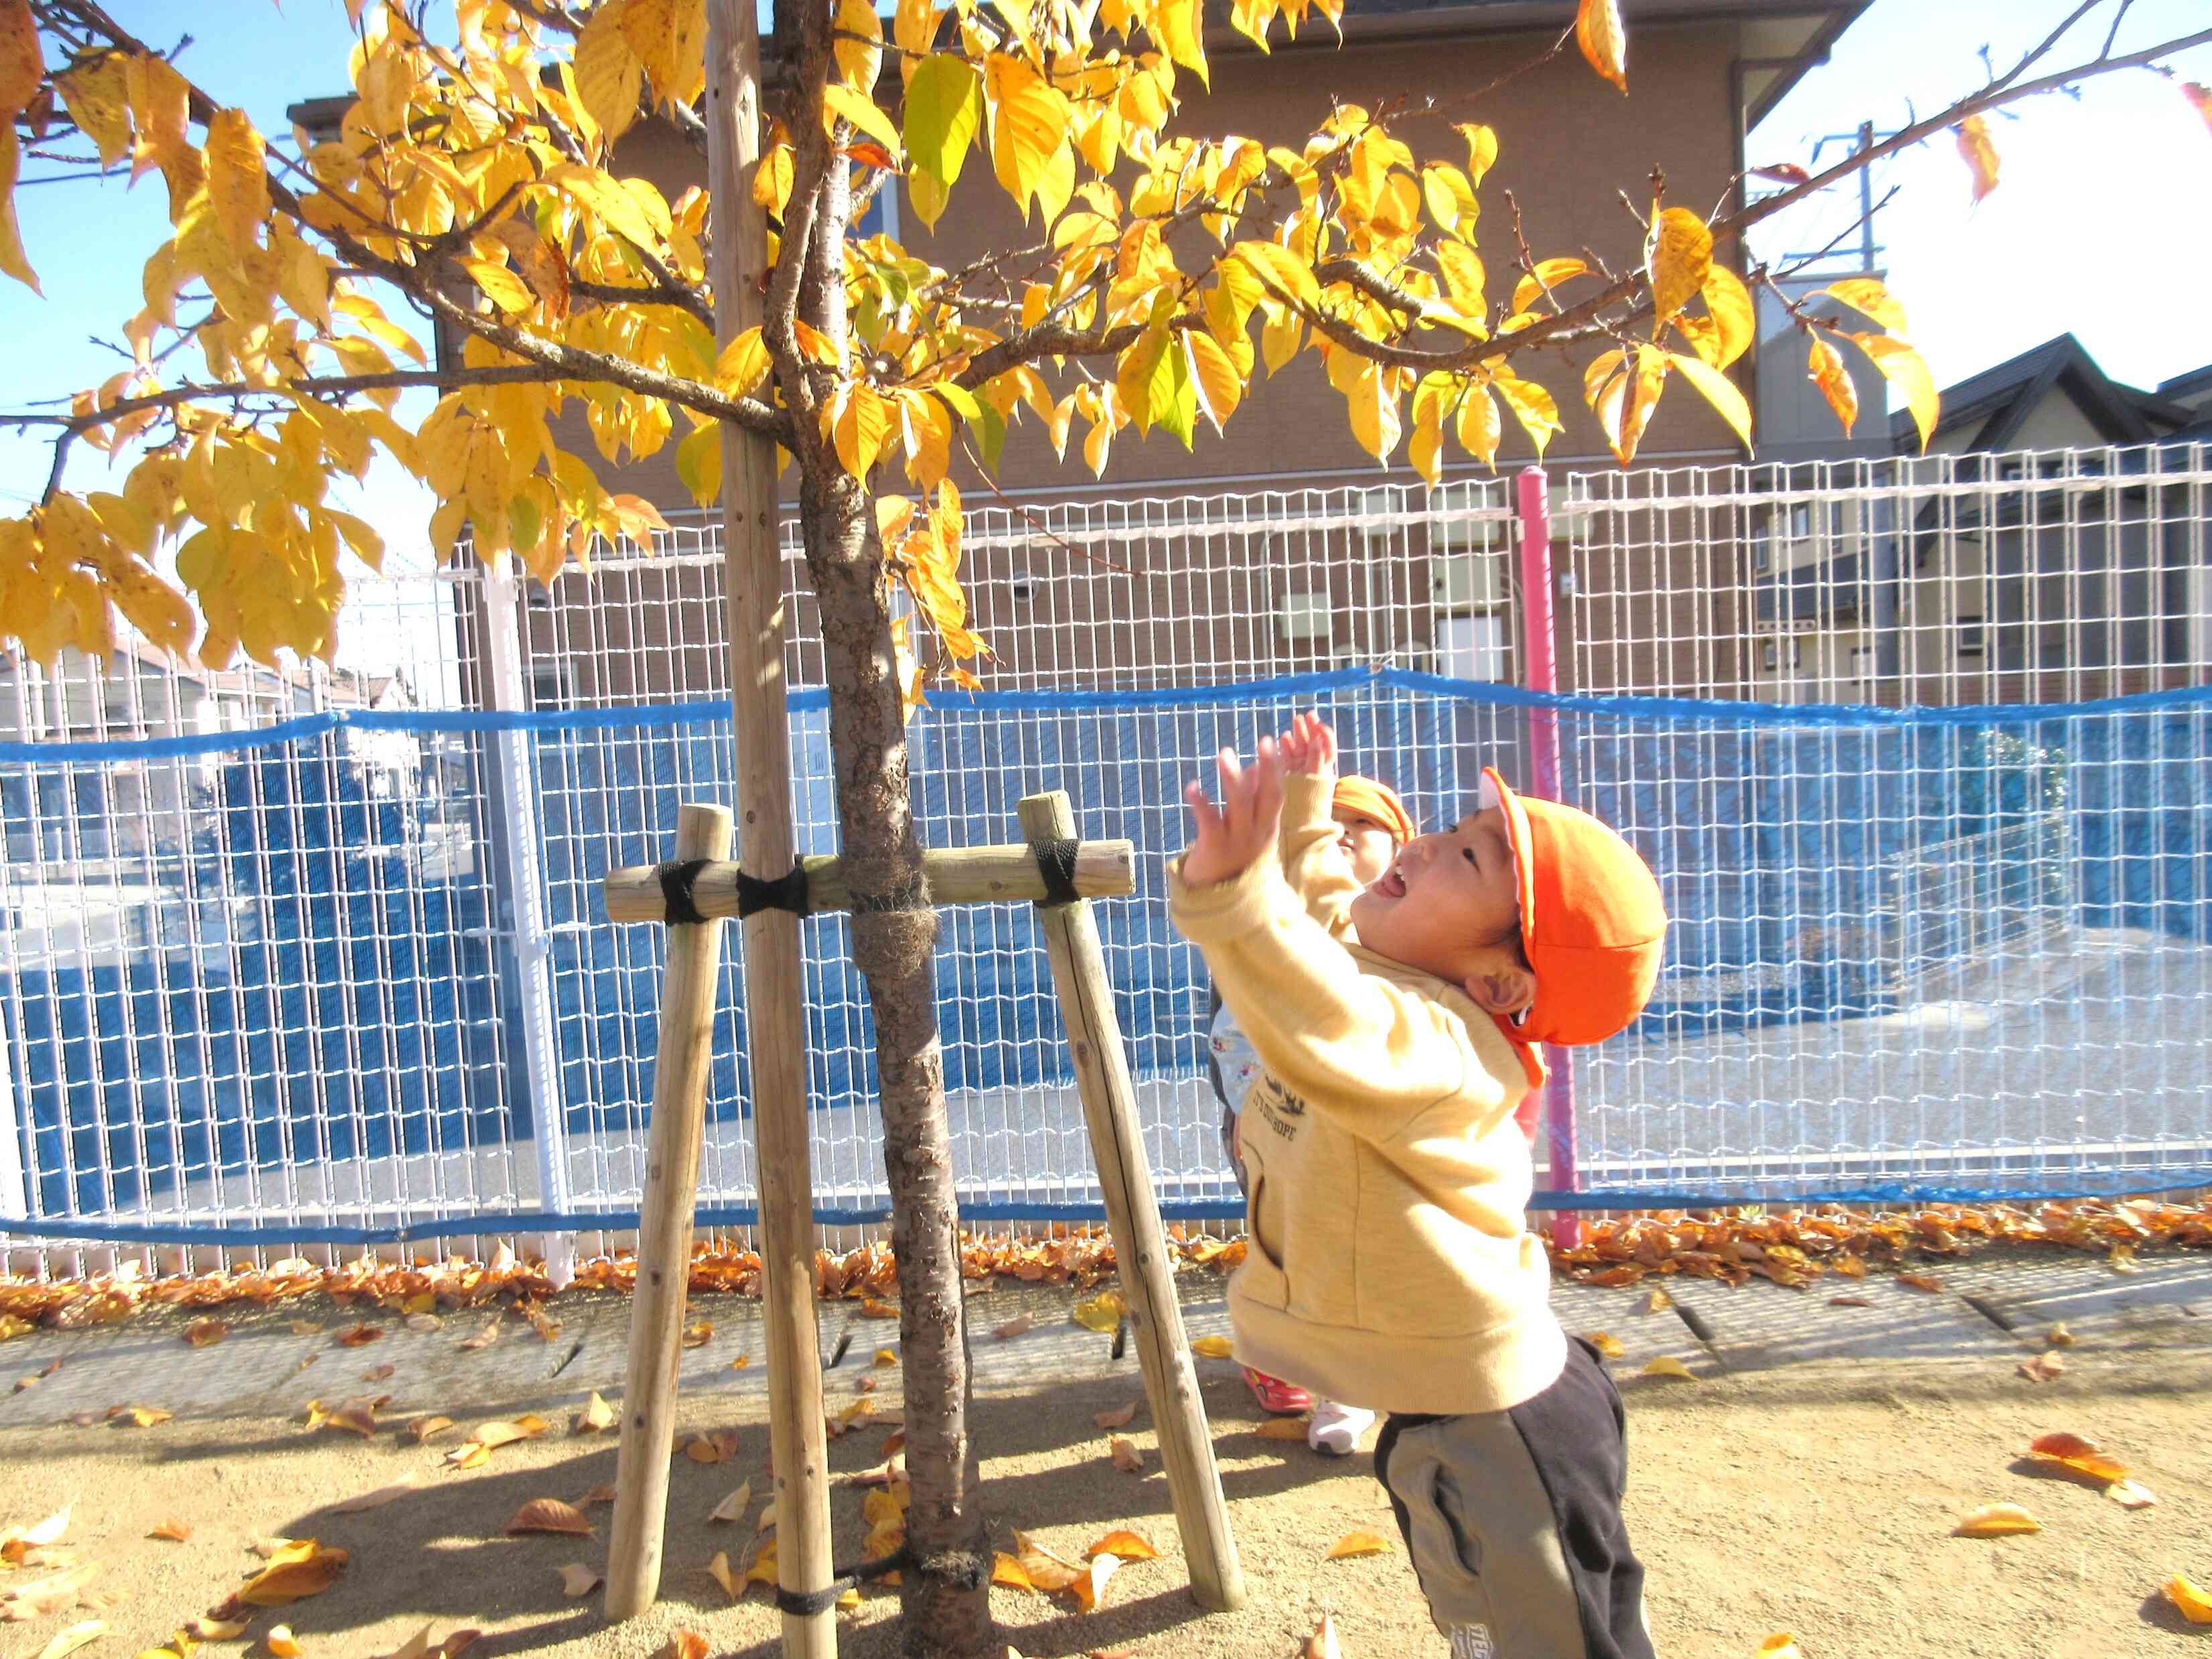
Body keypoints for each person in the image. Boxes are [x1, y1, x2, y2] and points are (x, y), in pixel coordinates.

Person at [1170, 712, 1667, 1659]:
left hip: (1504, 1424)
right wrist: (1307, 822)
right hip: (1445, 1402)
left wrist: (1233, 894)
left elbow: (1316, 1005)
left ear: (1499, 983)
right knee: (1481, 1622)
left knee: (1554, 1639)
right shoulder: (1402, 989)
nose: (1429, 842)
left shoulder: (1441, 1048)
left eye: (1470, 861)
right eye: (1451, 830)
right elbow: (1324, 939)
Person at [1206, 770, 1414, 1455]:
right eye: (1329, 823)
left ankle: (1367, 1383)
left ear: (1401, 853)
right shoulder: (1276, 925)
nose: (1345, 834)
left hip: (1375, 1126)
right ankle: (1297, 1365)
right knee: (1293, 1252)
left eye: (1364, 825)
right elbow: (1237, 1028)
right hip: (1281, 1125)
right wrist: (1248, 1111)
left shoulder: (1412, 934)